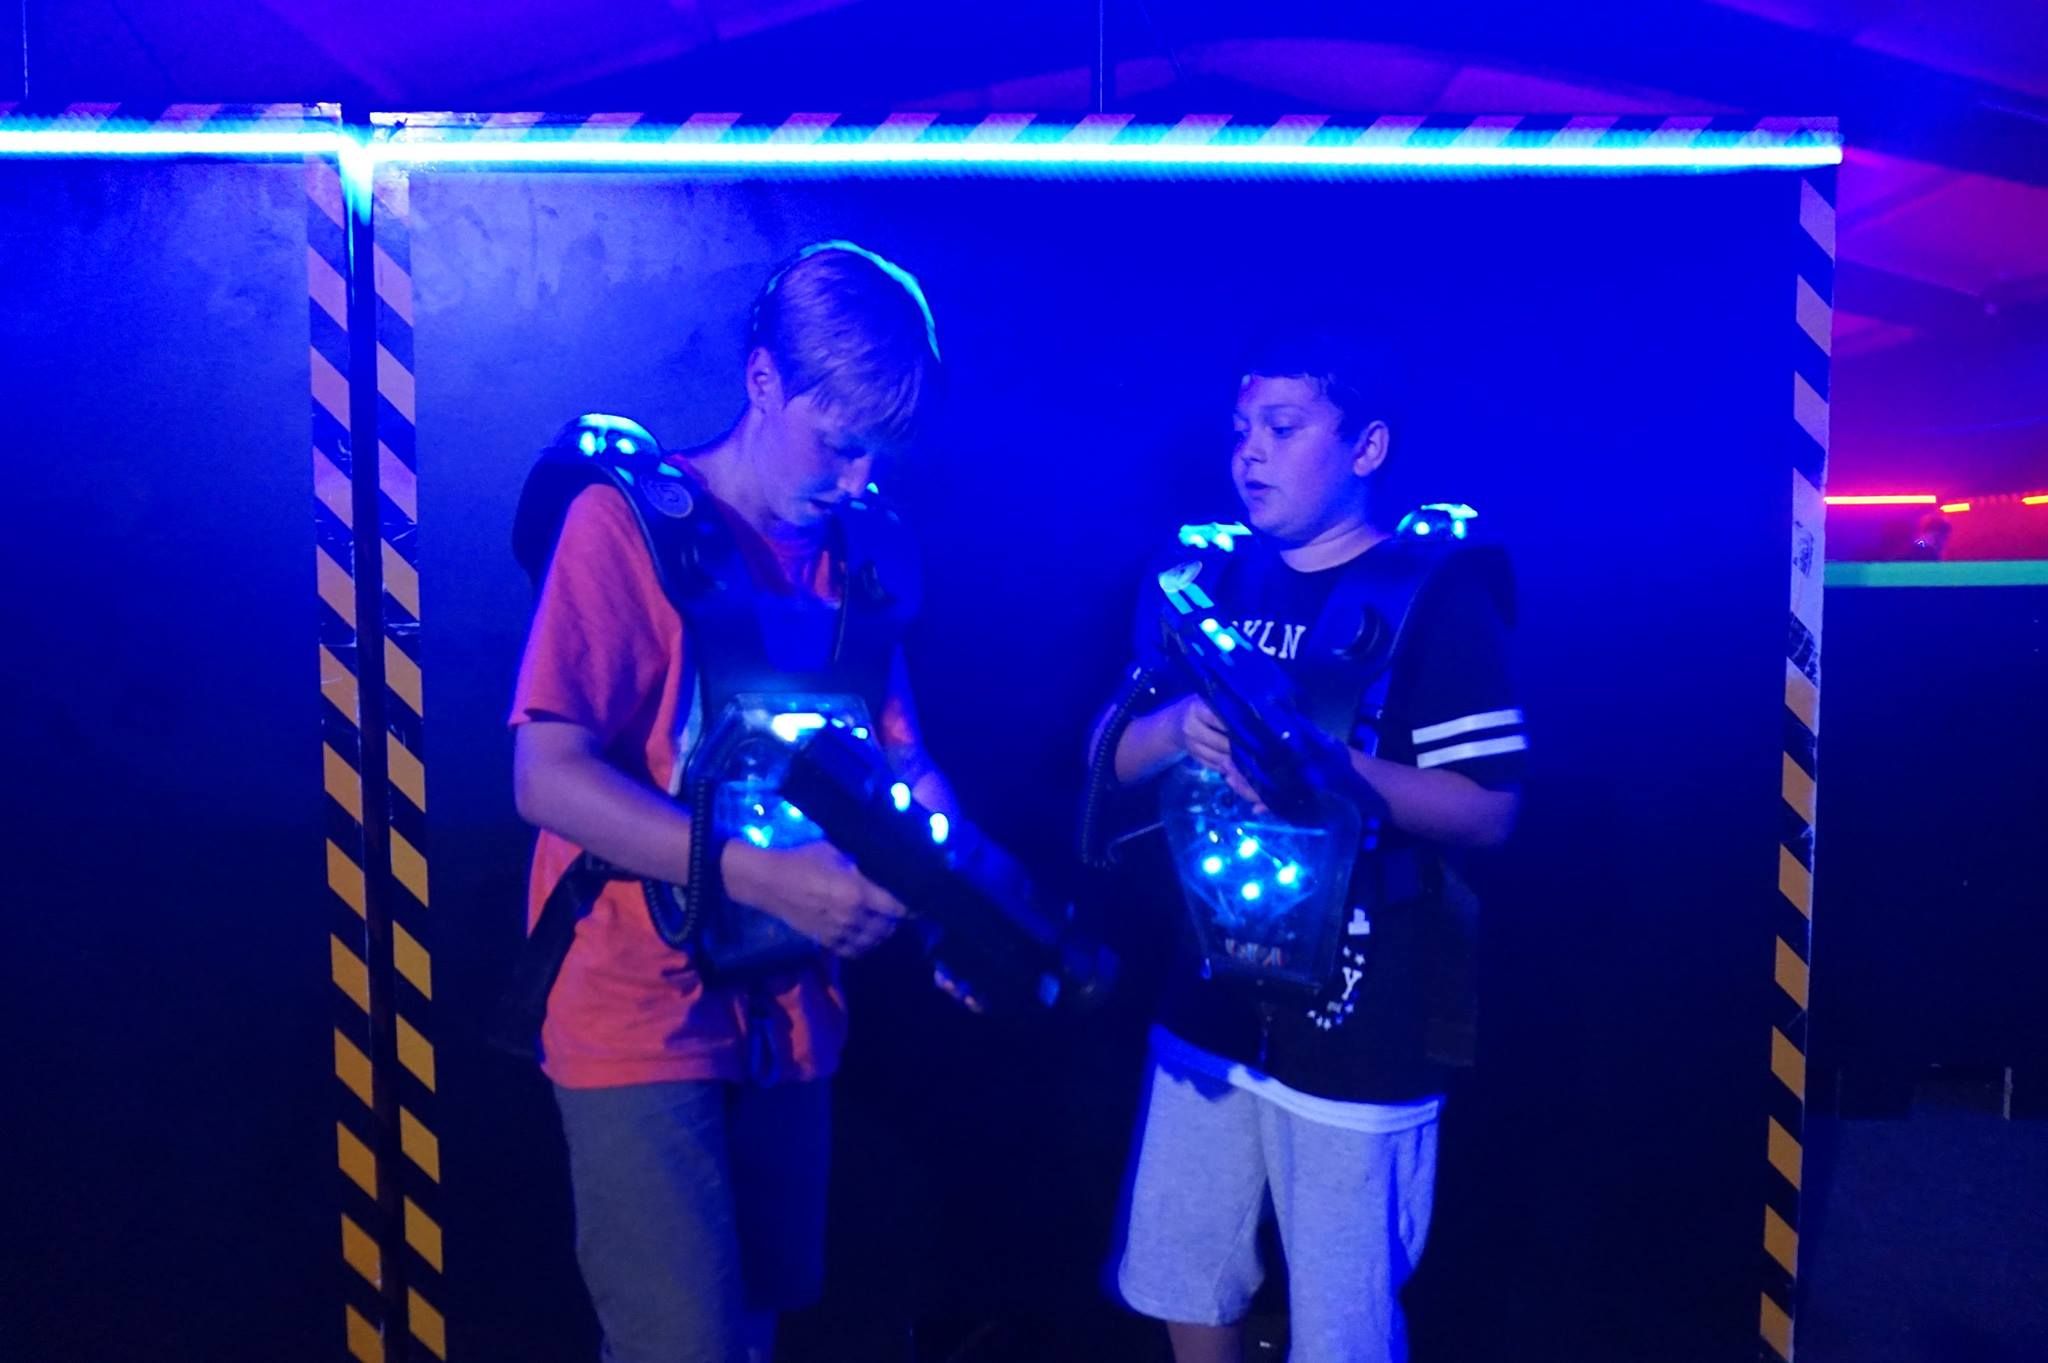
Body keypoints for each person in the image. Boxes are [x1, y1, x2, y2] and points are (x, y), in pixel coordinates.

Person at [508, 241, 954, 1363]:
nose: (856, 483)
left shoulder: (862, 551)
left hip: (790, 1001)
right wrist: (763, 875)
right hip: (635, 998)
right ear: (763, 380)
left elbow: (903, 762)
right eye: (839, 446)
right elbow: (545, 776)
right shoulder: (625, 527)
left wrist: (959, 902)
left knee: (750, 1326)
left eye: (878, 458)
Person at [1091, 328, 1525, 1363]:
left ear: (1366, 446)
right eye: (1241, 429)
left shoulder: (1433, 595)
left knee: (1343, 1309)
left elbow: (1490, 808)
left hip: (1365, 1007)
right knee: (1180, 1267)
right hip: (1206, 993)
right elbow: (1107, 755)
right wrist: (1174, 731)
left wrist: (1326, 767)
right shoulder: (1200, 578)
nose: (1248, 452)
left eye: (1282, 429)